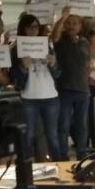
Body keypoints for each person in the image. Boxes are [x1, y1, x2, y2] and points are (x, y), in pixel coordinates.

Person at [10, 14, 60, 160]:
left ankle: (59, 168)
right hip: (28, 98)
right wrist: (23, 68)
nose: (33, 30)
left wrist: (53, 63)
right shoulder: (16, 48)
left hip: (50, 96)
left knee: (52, 136)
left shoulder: (47, 45)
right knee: (28, 136)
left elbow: (58, 73)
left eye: (36, 27)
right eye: (29, 27)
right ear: (23, 29)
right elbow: (14, 77)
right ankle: (27, 172)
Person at [51, 7, 91, 160]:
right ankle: (62, 157)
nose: (71, 26)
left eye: (75, 23)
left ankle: (82, 155)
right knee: (63, 126)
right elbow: (53, 37)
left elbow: (86, 64)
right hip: (65, 90)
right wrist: (62, 18)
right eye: (69, 23)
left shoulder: (84, 42)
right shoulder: (60, 39)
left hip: (82, 90)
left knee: (81, 126)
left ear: (80, 26)